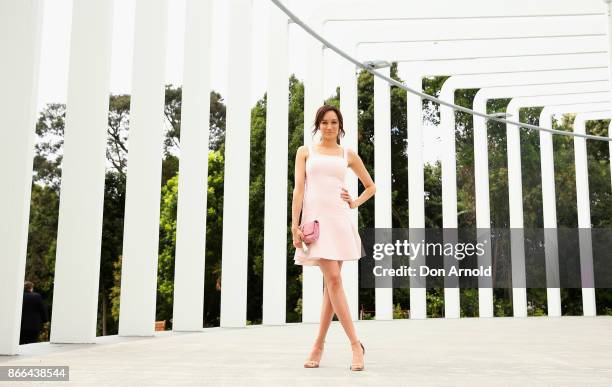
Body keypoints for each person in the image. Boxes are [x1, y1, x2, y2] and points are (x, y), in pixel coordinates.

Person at [291, 105, 376, 371]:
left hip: (339, 221)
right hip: (315, 222)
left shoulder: (347, 154)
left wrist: (354, 202)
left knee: (332, 285)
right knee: (334, 280)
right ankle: (355, 345)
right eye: (325, 123)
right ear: (318, 125)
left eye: (334, 123)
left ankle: (318, 345)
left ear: (340, 126)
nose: (329, 127)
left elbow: (371, 186)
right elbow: (299, 189)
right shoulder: (305, 152)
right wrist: (294, 225)